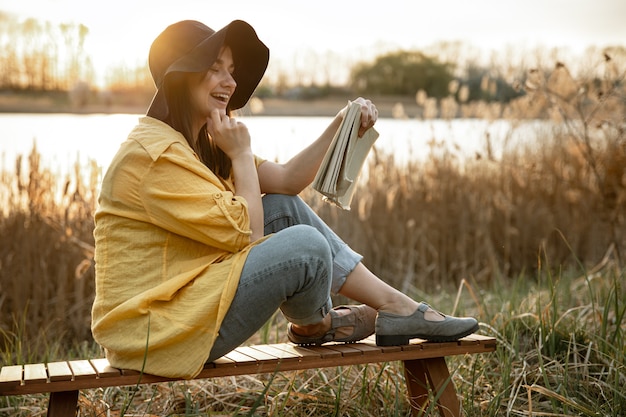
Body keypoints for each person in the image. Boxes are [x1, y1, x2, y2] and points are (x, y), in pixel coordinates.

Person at [91, 19, 479, 379]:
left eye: (231, 70)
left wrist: (343, 121)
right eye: (215, 68)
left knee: (282, 208)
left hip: (186, 309)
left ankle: (395, 307)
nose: (230, 81)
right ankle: (321, 325)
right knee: (306, 247)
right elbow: (248, 238)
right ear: (181, 78)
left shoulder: (197, 147)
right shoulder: (154, 157)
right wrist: (241, 155)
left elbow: (288, 180)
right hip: (156, 333)